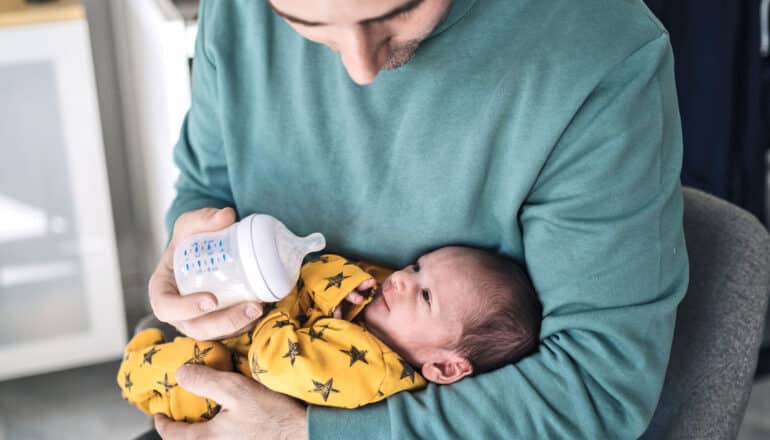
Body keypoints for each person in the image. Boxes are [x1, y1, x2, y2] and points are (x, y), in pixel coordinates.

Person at [147, 0, 689, 438]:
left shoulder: (599, 52)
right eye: (306, 23)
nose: (360, 68)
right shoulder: (236, 10)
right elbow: (209, 189)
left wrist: (304, 433)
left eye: (397, 10)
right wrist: (190, 268)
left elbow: (597, 388)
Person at [120, 247, 541, 420]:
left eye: (426, 295)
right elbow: (316, 266)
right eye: (416, 266)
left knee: (187, 366)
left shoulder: (371, 371)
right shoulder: (378, 297)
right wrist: (329, 288)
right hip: (237, 336)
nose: (401, 279)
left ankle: (134, 372)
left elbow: (274, 365)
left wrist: (274, 307)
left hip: (228, 383)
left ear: (446, 366)